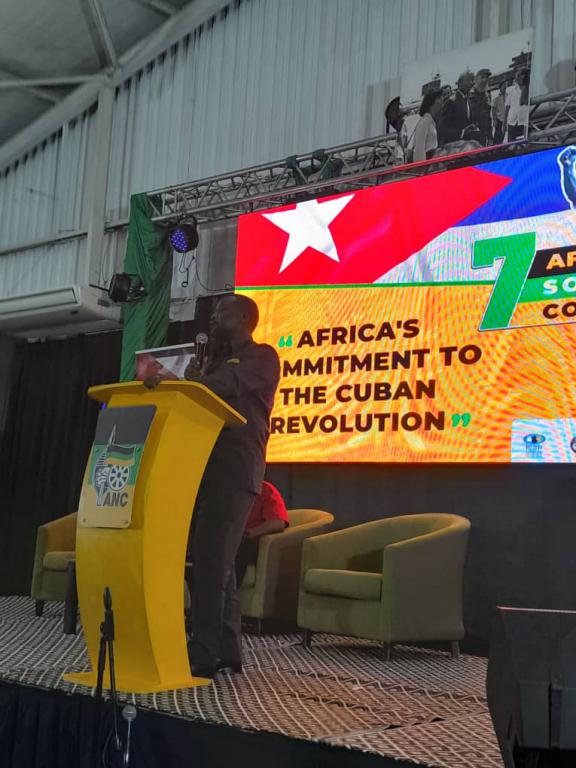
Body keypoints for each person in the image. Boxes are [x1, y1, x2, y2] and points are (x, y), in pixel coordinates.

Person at [145, 293, 280, 678]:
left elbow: (227, 385)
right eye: (215, 313)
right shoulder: (212, 362)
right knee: (218, 562)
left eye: (223, 313)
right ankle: (227, 648)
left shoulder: (262, 357)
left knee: (210, 562)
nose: (215, 318)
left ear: (245, 318)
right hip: (202, 466)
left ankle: (202, 652)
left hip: (235, 469)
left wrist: (192, 382)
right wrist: (171, 383)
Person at [235, 480, 289, 588]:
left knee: (242, 544)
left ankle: (224, 592)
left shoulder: (266, 490)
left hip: (249, 540)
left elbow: (277, 523)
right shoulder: (224, 492)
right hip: (227, 536)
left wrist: (250, 533)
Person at [437, 70, 476, 147]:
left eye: (472, 80)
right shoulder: (451, 102)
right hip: (455, 146)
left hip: (467, 144)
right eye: (468, 80)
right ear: (460, 83)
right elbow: (442, 130)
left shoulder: (468, 100)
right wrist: (463, 133)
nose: (472, 83)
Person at [411, 89, 444, 162]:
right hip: (427, 160)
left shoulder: (431, 120)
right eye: (440, 98)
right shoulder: (424, 122)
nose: (442, 101)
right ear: (433, 102)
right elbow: (419, 147)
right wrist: (422, 166)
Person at [505, 67, 530, 141]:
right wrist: (504, 123)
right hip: (512, 121)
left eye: (519, 76)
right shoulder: (511, 91)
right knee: (511, 143)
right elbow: (507, 107)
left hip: (524, 121)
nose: (517, 78)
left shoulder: (529, 88)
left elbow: (523, 102)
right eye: (516, 76)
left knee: (522, 142)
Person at [469, 68, 493, 146]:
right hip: (471, 136)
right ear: (476, 79)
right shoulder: (469, 94)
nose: (485, 80)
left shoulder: (487, 96)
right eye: (482, 77)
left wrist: (490, 137)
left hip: (483, 135)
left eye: (487, 78)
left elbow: (488, 117)